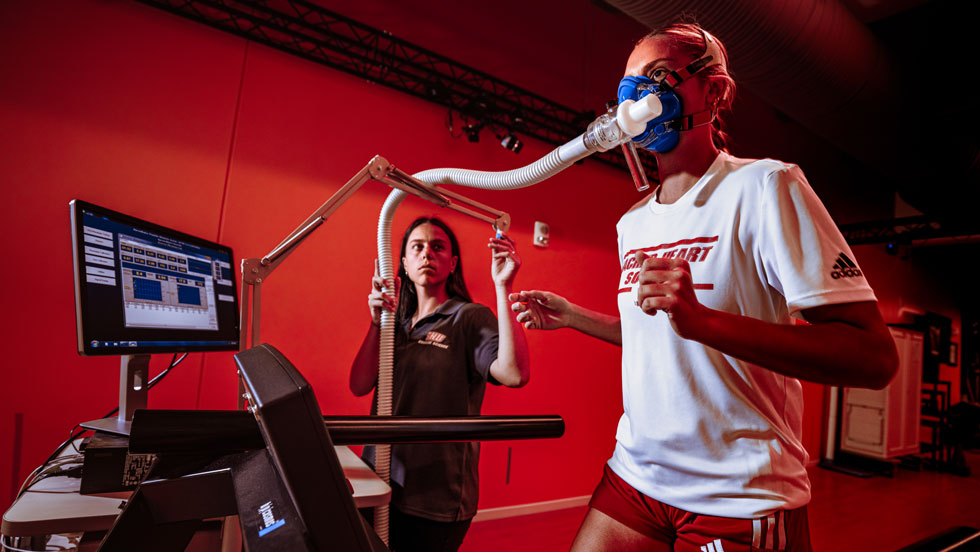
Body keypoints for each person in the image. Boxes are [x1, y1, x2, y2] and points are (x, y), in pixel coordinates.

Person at [509, 22, 898, 552]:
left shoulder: (763, 186)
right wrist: (575, 316)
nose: (636, 97)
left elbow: (873, 357)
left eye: (658, 76)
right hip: (637, 474)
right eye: (628, 85)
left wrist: (706, 322)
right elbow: (663, 337)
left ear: (712, 91)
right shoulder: (634, 222)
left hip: (737, 490)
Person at [350, 216, 530, 552]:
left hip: (435, 498)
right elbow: (359, 385)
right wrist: (377, 323)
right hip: (380, 482)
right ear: (402, 263)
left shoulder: (469, 317)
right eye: (417, 247)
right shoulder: (396, 326)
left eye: (437, 247)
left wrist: (503, 287)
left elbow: (514, 373)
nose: (427, 254)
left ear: (452, 263)